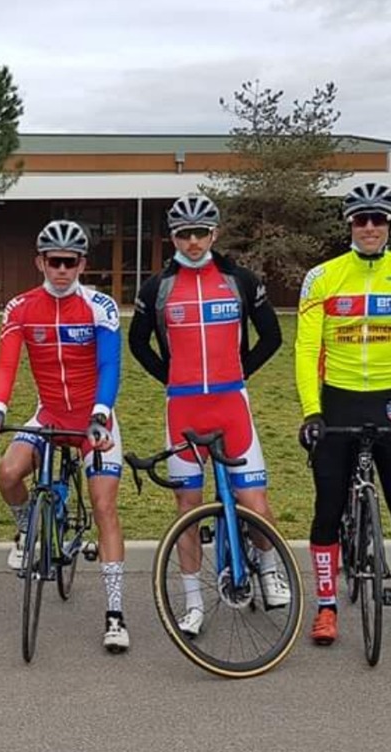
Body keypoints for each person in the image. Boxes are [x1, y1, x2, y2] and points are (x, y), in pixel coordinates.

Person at [295, 182, 391, 649]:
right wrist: (312, 411)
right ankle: (326, 608)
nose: (370, 227)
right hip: (338, 399)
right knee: (327, 508)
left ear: (389, 225)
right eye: (361, 220)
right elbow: (306, 348)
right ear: (350, 226)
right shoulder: (323, 277)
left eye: (378, 219)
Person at [129, 195, 287, 636]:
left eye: (201, 233)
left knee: (254, 500)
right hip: (183, 407)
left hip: (231, 404)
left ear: (214, 233)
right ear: (173, 237)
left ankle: (271, 572)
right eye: (184, 234)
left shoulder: (238, 279)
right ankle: (195, 603)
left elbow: (271, 336)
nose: (193, 242)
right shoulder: (157, 287)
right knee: (187, 506)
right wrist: (170, 379)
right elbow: (138, 343)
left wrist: (240, 374)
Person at [0, 220, 130, 653]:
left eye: (71, 262)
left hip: (92, 419)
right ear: (39, 262)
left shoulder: (100, 306)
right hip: (48, 413)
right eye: (54, 261)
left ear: (82, 263)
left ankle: (115, 615)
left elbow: (109, 367)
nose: (62, 270)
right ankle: (28, 530)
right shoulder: (21, 307)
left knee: (104, 506)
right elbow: (6, 365)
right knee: (7, 473)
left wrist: (100, 415)